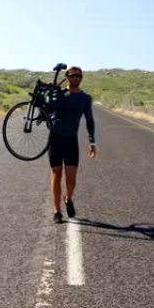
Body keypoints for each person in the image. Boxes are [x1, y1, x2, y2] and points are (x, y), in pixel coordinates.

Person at [48, 66, 96, 223]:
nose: (75, 77)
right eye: (72, 75)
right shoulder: (59, 94)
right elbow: (48, 111)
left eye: (78, 75)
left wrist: (92, 141)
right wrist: (50, 96)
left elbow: (89, 120)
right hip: (55, 138)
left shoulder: (85, 98)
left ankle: (68, 198)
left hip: (71, 140)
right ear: (66, 76)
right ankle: (57, 211)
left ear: (81, 78)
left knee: (71, 177)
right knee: (56, 173)